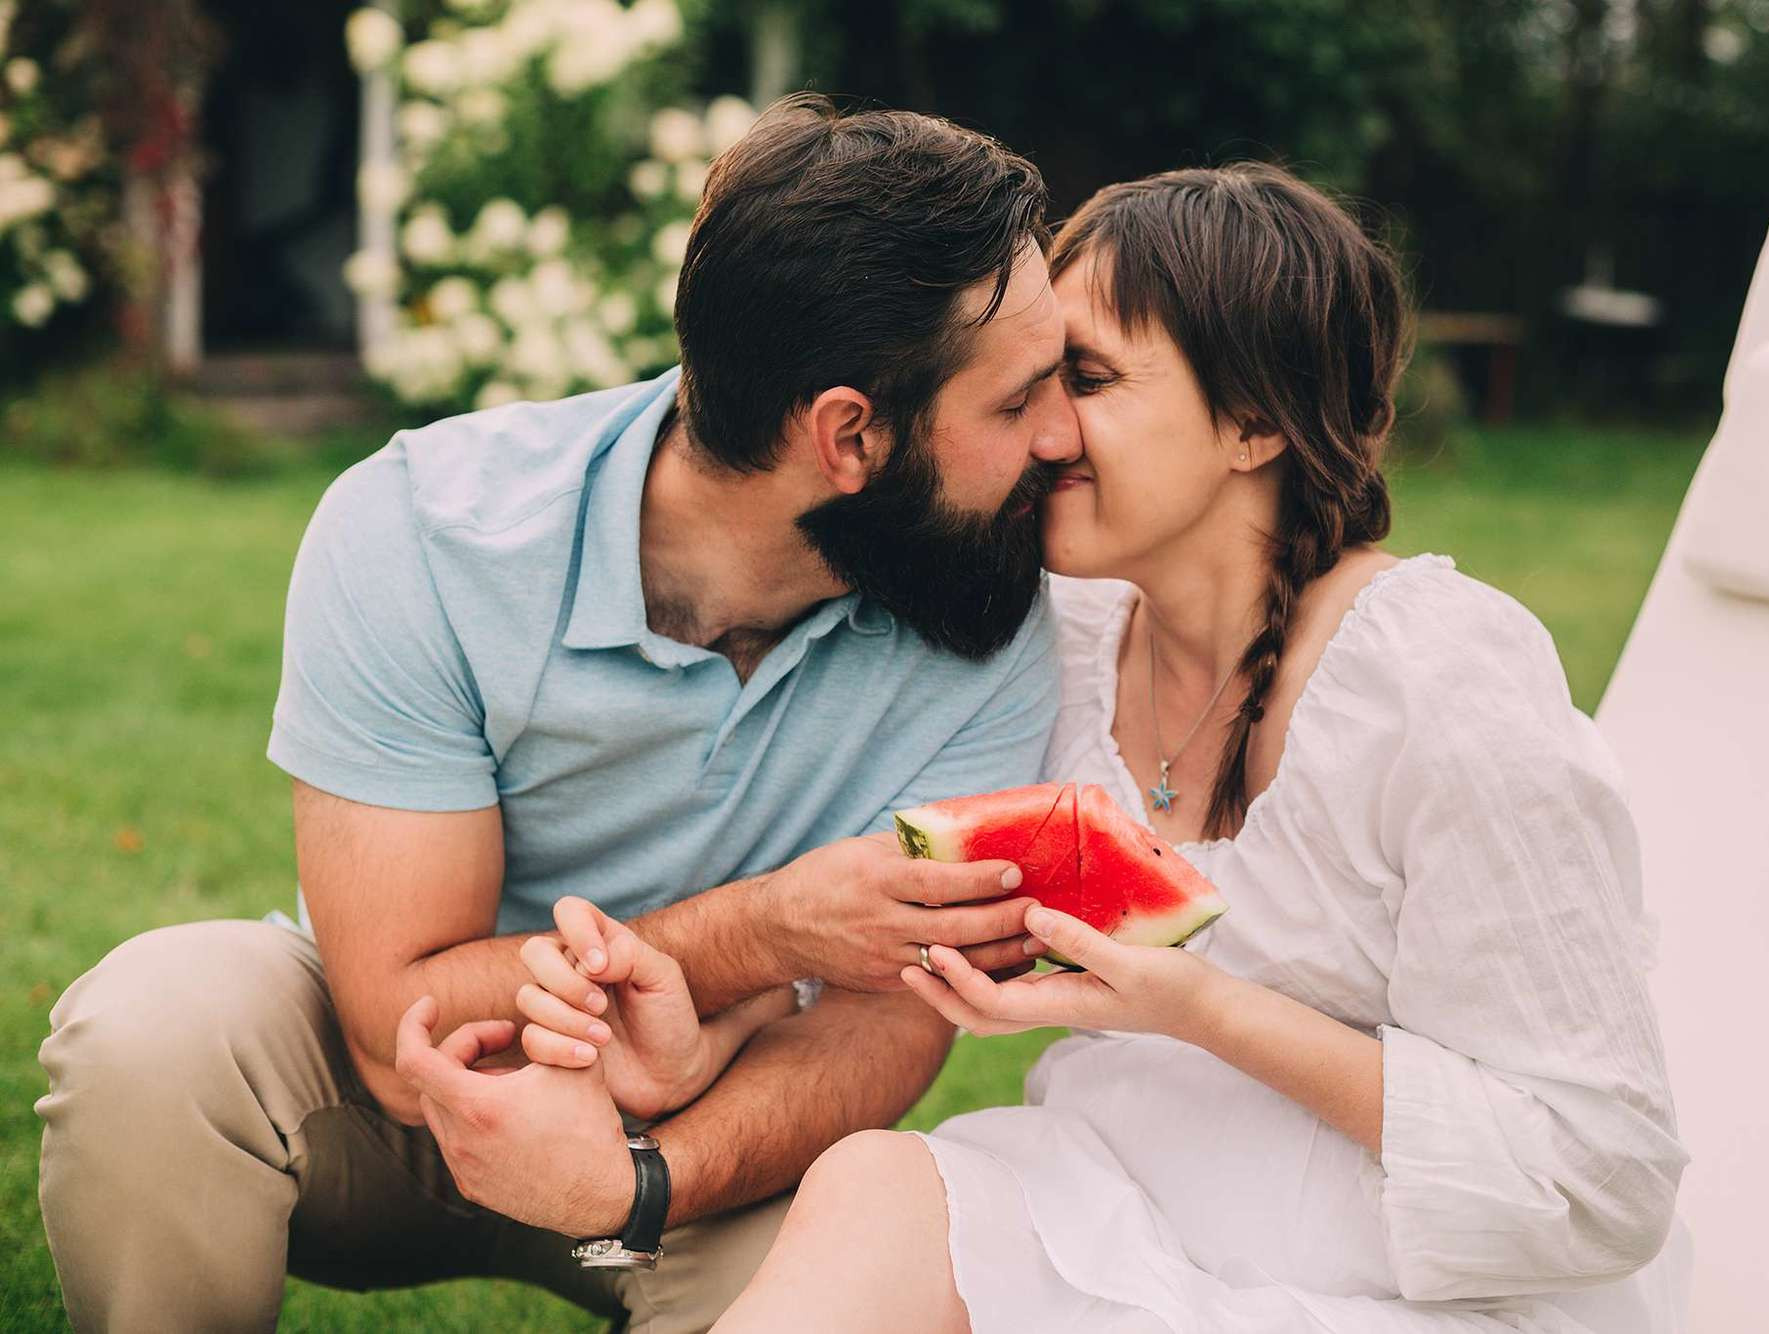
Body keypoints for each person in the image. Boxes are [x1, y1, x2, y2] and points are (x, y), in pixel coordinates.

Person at [530, 162, 1691, 1331]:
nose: (1043, 431)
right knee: (875, 1183)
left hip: (1397, 1282)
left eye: (1084, 379)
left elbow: (1597, 1175)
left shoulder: (1438, 679)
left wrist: (1197, 1006)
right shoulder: (1060, 643)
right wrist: (706, 1040)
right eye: (1033, 382)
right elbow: (893, 933)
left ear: (1255, 420)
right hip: (1105, 1209)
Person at [34, 94, 1083, 1334]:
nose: (1062, 435)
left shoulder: (986, 597)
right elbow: (394, 1018)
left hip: (708, 1138)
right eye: (1016, 402)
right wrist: (766, 928)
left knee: (888, 1268)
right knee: (155, 1023)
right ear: (848, 435)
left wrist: (636, 1182)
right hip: (398, 1104)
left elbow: (881, 1027)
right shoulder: (424, 531)